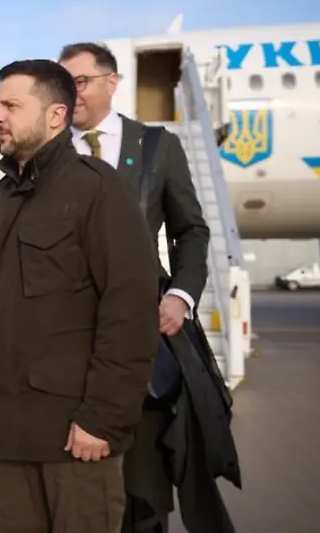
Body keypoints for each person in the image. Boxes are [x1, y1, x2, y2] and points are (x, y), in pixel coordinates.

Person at [0, 58, 159, 533]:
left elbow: (129, 313)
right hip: (9, 433)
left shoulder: (98, 190)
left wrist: (103, 419)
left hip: (76, 437)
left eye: (10, 105)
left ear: (55, 115)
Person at [59, 43, 238, 533]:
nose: (70, 92)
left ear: (112, 82)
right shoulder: (48, 152)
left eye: (81, 81)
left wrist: (181, 295)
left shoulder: (157, 146)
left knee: (143, 491)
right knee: (79, 487)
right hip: (68, 345)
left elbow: (192, 231)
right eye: (63, 82)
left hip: (141, 338)